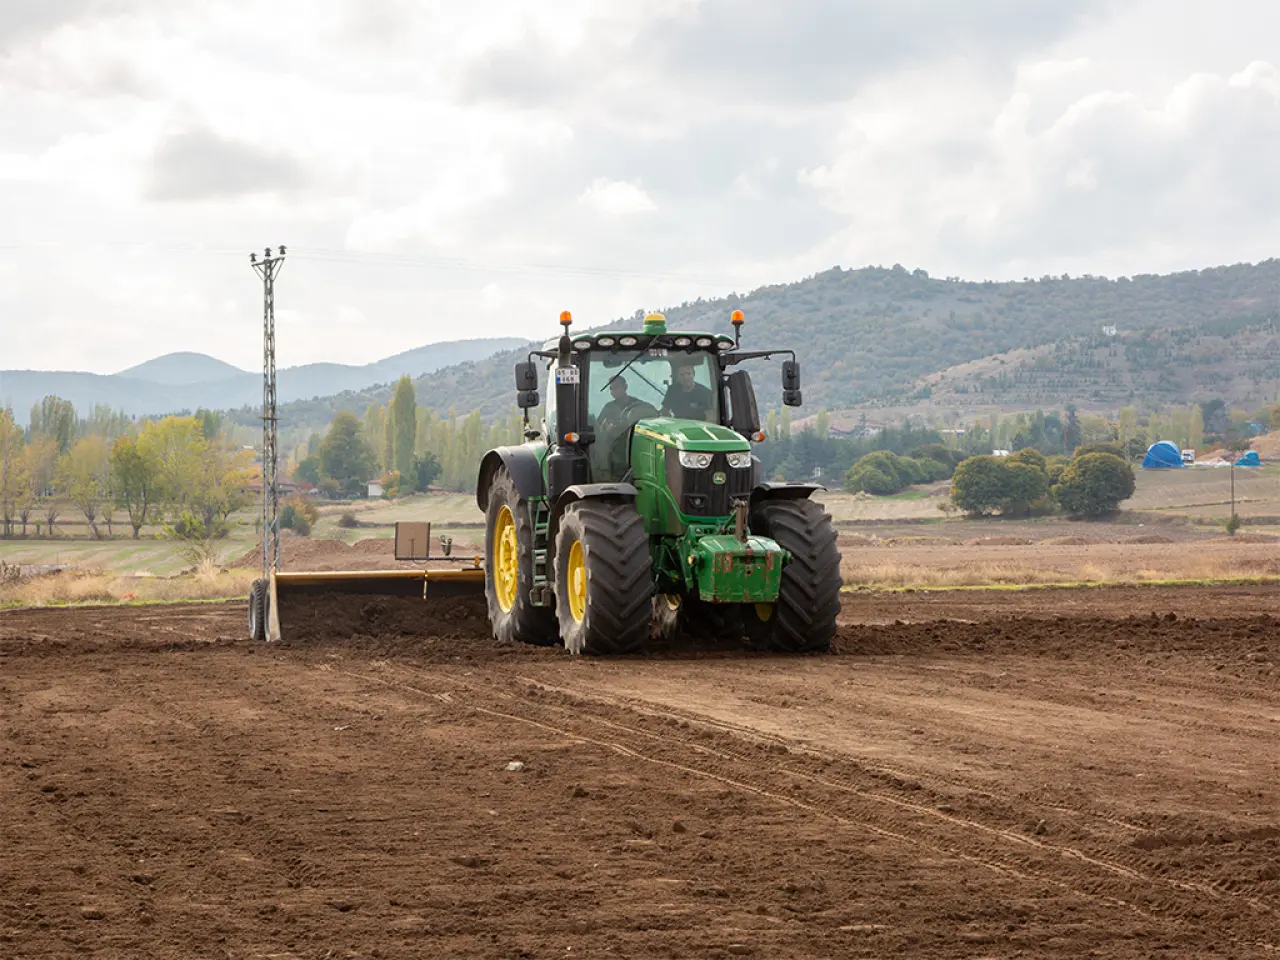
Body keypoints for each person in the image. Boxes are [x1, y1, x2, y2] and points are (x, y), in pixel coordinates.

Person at [594, 375, 657, 479]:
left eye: (616, 388)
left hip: (634, 443)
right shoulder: (608, 407)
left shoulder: (638, 406)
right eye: (611, 389)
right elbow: (599, 428)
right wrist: (606, 430)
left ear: (625, 387)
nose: (613, 392)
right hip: (614, 446)